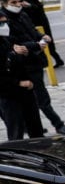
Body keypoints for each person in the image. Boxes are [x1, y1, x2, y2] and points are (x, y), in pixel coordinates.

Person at [1, 0, 65, 136]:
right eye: (13, 3)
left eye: (18, 1)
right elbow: (13, 44)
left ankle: (41, 128)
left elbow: (32, 31)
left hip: (34, 62)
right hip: (19, 68)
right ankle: (57, 124)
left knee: (39, 99)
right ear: (4, 4)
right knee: (28, 103)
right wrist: (34, 45)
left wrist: (42, 36)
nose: (17, 5)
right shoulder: (5, 21)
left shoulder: (23, 14)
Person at [0, 9, 43, 140]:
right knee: (16, 132)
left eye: (5, 22)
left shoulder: (7, 39)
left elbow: (21, 47)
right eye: (1, 24)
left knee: (35, 128)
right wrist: (17, 83)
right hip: (8, 93)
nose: (5, 26)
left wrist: (24, 52)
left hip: (26, 91)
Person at [6, 0, 63, 67]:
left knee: (44, 42)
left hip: (38, 21)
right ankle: (53, 60)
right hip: (29, 22)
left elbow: (38, 6)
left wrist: (29, 5)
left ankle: (56, 59)